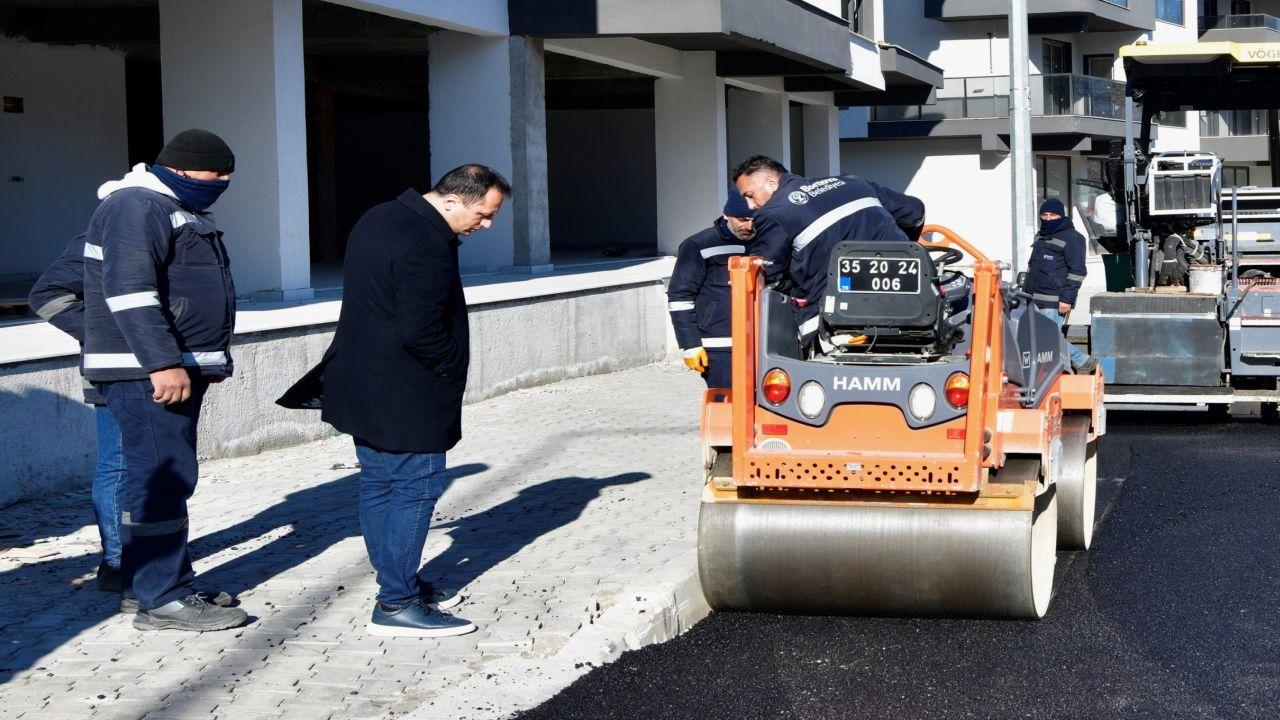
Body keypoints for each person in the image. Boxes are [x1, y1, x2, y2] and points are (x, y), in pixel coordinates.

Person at [317, 165, 510, 638]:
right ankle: (396, 604)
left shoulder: (381, 216)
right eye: (483, 215)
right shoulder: (425, 241)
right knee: (414, 488)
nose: (485, 226)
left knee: (379, 484)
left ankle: (398, 581)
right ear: (452, 201)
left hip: (362, 383)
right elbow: (420, 329)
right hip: (406, 390)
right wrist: (450, 367)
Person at [82, 129, 246, 631]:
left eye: (227, 175)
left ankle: (144, 585)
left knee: (157, 479)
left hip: (162, 366)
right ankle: (164, 598)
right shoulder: (139, 206)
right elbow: (129, 291)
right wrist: (161, 361)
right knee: (163, 480)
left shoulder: (171, 206)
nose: (222, 183)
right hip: (148, 372)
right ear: (179, 168)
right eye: (215, 174)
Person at [732, 155, 926, 346]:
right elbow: (915, 212)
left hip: (831, 325)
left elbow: (766, 276)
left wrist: (796, 283)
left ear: (772, 181)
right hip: (912, 308)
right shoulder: (854, 183)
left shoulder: (774, 214)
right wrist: (904, 253)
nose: (751, 205)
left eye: (750, 195)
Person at [28, 234, 127, 593]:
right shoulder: (101, 236)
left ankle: (153, 556)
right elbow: (47, 296)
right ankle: (118, 562)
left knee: (164, 469)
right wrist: (111, 336)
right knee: (119, 465)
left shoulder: (182, 230)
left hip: (171, 371)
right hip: (116, 372)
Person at [667, 189, 755, 388]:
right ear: (727, 215)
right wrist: (691, 345)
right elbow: (679, 297)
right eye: (742, 219)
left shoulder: (766, 241)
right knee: (725, 409)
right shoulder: (698, 245)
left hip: (763, 342)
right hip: (720, 348)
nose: (749, 226)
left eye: (754, 220)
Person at [1026, 197, 1098, 373]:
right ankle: (1048, 373)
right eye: (1045, 215)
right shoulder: (1041, 236)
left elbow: (1078, 271)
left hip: (1055, 300)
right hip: (1034, 298)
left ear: (1061, 216)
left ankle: (1082, 362)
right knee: (1036, 339)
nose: (1048, 218)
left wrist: (1066, 299)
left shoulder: (1073, 238)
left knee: (1047, 338)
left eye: (1052, 215)